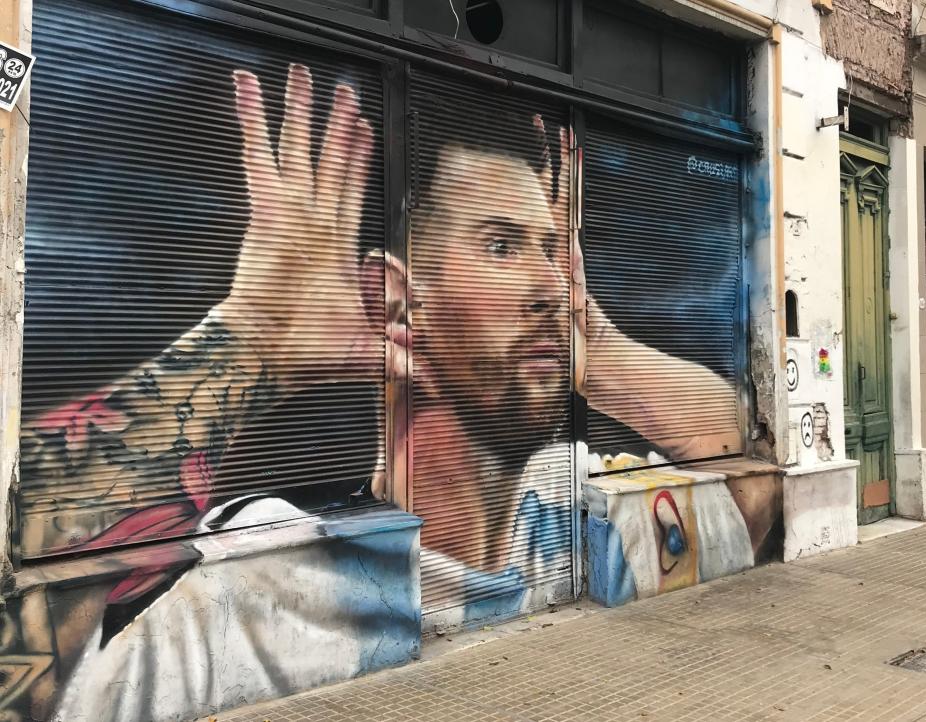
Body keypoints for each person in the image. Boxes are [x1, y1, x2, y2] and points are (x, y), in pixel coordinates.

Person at [15, 64, 777, 720]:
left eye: (553, 249)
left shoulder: (573, 504)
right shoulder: (265, 584)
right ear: (395, 303)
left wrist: (602, 353)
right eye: (503, 245)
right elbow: (31, 666)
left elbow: (749, 494)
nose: (555, 286)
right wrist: (251, 344)